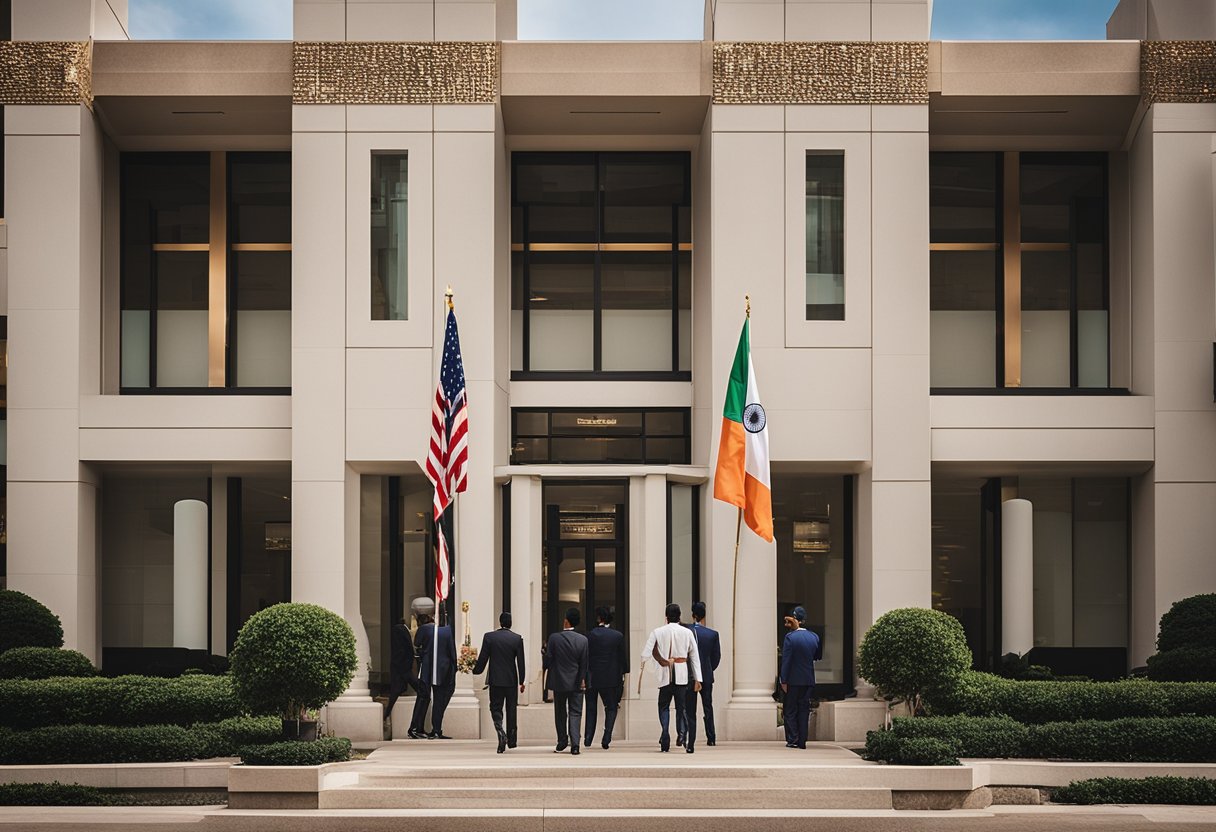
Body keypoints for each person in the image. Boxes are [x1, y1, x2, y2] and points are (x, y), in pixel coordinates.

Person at [640, 603, 702, 753]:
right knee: (681, 707)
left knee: (663, 707)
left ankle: (665, 731)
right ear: (680, 615)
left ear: (666, 616)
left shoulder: (657, 632)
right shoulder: (687, 632)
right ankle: (681, 733)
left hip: (665, 674)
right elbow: (694, 656)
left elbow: (645, 654)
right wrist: (698, 678)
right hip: (681, 674)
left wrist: (657, 662)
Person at [471, 611, 526, 753]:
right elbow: (521, 662)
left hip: (495, 679)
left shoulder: (490, 637)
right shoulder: (517, 639)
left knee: (495, 707)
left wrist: (475, 670)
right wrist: (522, 680)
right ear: (510, 623)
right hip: (511, 680)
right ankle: (512, 740)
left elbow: (483, 658)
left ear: (500, 622)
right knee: (511, 708)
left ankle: (500, 731)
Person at [408, 597, 458, 739]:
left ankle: (416, 727)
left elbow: (417, 644)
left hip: (428, 669)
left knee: (423, 697)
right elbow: (452, 653)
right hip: (444, 669)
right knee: (438, 700)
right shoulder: (448, 631)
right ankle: (436, 729)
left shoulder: (423, 629)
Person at [544, 607, 589, 755]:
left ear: (566, 621)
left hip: (559, 681)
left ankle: (562, 741)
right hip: (576, 681)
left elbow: (548, 659)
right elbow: (584, 664)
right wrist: (581, 679)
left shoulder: (554, 638)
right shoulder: (583, 640)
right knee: (576, 712)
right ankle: (575, 744)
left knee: (560, 712)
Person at [584, 606, 627, 750]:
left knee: (591, 707)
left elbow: (586, 657)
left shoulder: (590, 635)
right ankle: (607, 736)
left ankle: (588, 738)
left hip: (593, 676)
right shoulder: (617, 636)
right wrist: (624, 672)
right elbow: (623, 658)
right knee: (611, 707)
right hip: (611, 677)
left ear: (599, 619)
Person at [779, 605, 819, 750]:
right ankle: (802, 741)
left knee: (790, 710)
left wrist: (784, 680)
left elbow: (787, 660)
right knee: (803, 709)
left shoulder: (790, 637)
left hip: (793, 680)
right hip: (808, 679)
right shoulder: (814, 636)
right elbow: (817, 656)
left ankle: (793, 739)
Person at [685, 601, 722, 747]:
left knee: (690, 707)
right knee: (708, 706)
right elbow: (716, 657)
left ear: (693, 615)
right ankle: (711, 736)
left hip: (690, 674)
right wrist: (708, 668)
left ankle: (689, 735)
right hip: (706, 674)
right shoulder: (712, 634)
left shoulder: (686, 630)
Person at [386, 616, 419, 736]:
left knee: (396, 692)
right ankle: (386, 715)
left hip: (402, 666)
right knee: (398, 691)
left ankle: (387, 715)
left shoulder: (402, 629)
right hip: (402, 667)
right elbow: (402, 649)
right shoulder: (400, 629)